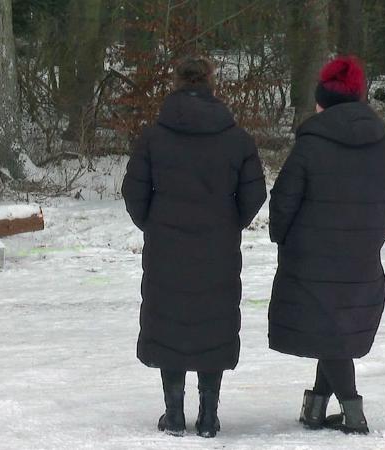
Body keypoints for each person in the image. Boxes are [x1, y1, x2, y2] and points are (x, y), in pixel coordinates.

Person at [122, 57, 267, 438]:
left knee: (170, 322)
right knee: (212, 325)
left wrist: (153, 223)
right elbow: (254, 194)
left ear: (176, 84)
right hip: (217, 248)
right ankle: (208, 416)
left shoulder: (154, 137)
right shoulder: (237, 139)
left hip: (167, 247)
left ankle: (173, 415)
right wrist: (230, 221)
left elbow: (133, 192)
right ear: (211, 85)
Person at [268, 55, 385, 435]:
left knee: (328, 328)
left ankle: (353, 412)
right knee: (334, 328)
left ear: (323, 101)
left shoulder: (310, 146)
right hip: (362, 257)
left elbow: (283, 202)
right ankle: (315, 408)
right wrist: (376, 232)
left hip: (310, 258)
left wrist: (284, 238)